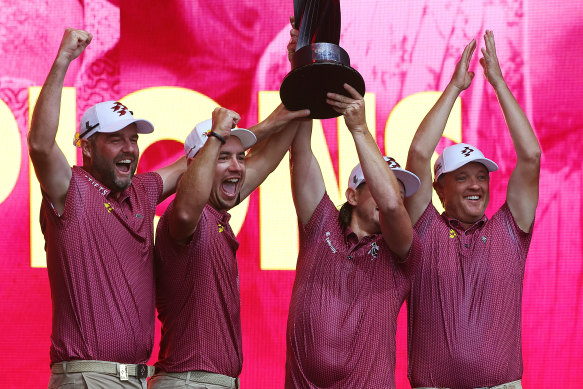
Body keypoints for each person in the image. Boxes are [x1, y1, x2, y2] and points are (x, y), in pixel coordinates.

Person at [27, 29, 187, 388]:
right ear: (87, 147)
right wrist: (64, 59)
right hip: (88, 378)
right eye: (116, 139)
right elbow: (39, 144)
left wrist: (252, 127)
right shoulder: (71, 188)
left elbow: (193, 163)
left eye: (133, 139)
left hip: (134, 379)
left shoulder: (142, 191)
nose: (129, 148)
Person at [404, 31, 541, 389]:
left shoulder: (509, 231)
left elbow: (531, 157)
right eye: (462, 178)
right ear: (439, 188)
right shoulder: (424, 229)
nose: (476, 185)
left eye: (481, 176)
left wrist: (497, 82)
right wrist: (454, 88)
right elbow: (419, 154)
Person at [150, 99, 309, 387]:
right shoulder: (181, 217)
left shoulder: (217, 214)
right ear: (194, 166)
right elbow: (188, 207)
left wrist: (304, 95)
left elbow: (267, 160)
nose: (236, 167)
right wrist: (217, 135)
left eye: (240, 157)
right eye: (223, 157)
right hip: (188, 382)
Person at [284, 79, 421, 388]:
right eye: (376, 185)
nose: (392, 197)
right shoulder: (320, 226)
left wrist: (359, 129)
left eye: (400, 193)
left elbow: (391, 207)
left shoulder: (403, 251)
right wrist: (305, 69)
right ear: (353, 195)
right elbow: (301, 150)